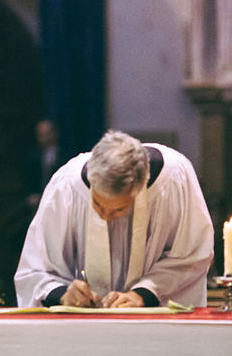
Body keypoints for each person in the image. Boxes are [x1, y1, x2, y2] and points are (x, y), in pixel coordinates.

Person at [15, 130, 214, 308]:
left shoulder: (173, 178)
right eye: (97, 205)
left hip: (154, 322)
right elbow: (36, 269)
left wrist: (144, 293)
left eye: (118, 210)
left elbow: (192, 255)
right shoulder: (67, 186)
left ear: (139, 189)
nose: (104, 217)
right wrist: (64, 293)